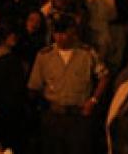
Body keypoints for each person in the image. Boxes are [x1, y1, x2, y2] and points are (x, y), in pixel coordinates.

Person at [27, 13, 109, 154]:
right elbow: (34, 87)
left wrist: (93, 100)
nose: (60, 37)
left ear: (73, 32)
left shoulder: (87, 53)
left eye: (63, 33)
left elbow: (104, 77)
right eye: (57, 33)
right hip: (53, 117)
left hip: (79, 117)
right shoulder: (44, 56)